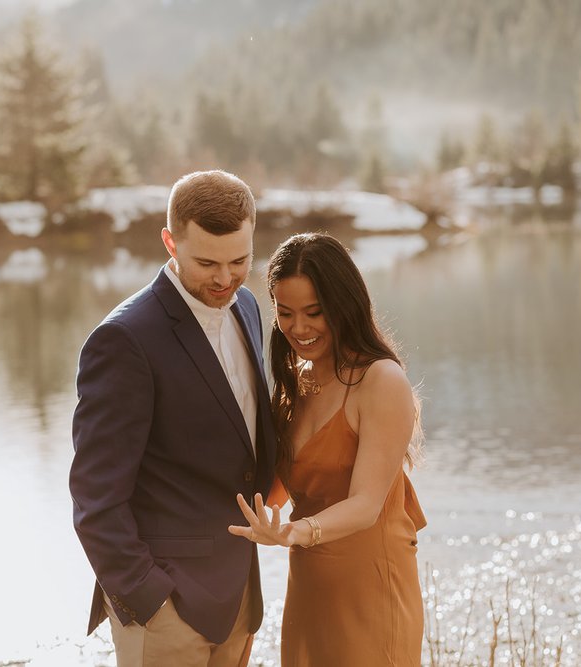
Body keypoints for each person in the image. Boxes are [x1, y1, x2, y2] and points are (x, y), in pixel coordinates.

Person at [70, 170, 277, 666]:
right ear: (169, 242)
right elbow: (95, 497)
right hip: (165, 608)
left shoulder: (246, 306)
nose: (225, 279)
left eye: (240, 260)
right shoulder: (124, 340)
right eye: (206, 262)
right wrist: (149, 598)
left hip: (238, 595)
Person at [228, 232, 427, 666]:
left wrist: (296, 532)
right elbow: (277, 492)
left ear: (344, 305)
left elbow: (365, 504)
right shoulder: (298, 382)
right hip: (311, 582)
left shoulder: (381, 380)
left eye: (314, 313)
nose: (298, 328)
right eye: (285, 313)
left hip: (370, 585)